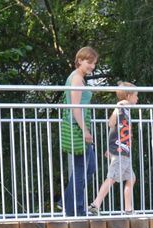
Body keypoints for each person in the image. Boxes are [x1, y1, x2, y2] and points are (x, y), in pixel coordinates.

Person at [61, 46, 98, 217]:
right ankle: (77, 209)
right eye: (89, 62)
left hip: (79, 127)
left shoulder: (79, 78)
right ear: (80, 60)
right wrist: (85, 131)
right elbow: (75, 108)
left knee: (88, 168)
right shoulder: (76, 79)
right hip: (77, 129)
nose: (92, 66)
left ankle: (66, 202)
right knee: (82, 169)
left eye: (94, 63)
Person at [89, 81, 136, 215]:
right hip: (120, 152)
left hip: (124, 152)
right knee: (112, 178)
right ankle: (95, 204)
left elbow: (115, 130)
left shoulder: (126, 110)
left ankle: (128, 209)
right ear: (128, 96)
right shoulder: (121, 107)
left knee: (131, 178)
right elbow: (111, 123)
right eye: (136, 95)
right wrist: (119, 105)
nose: (137, 99)